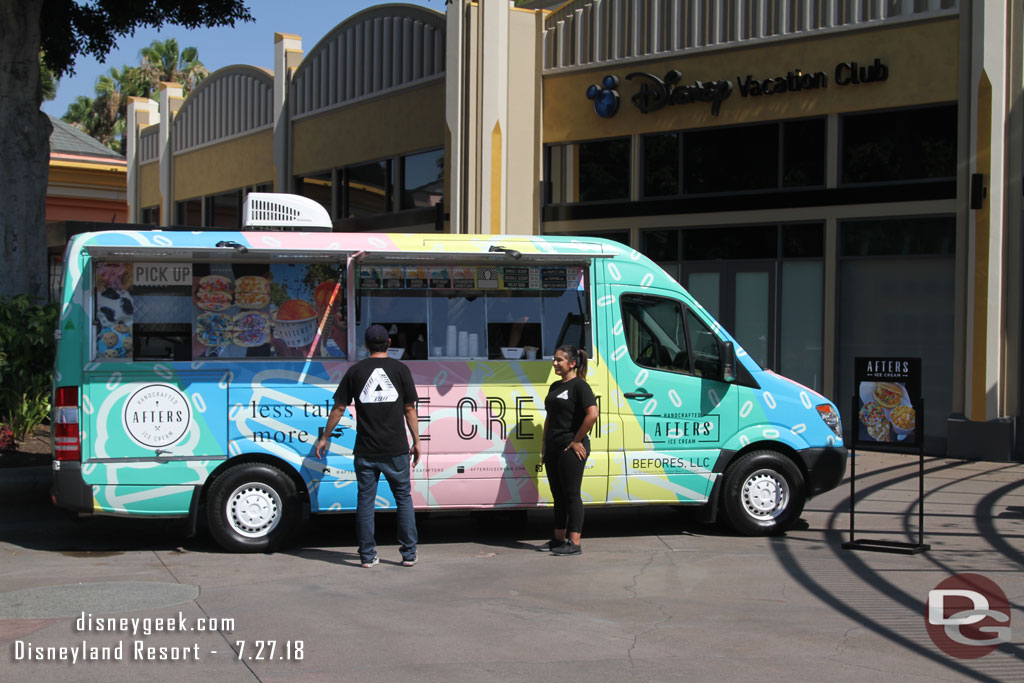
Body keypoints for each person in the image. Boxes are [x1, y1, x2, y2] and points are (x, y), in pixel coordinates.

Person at [315, 324, 421, 567]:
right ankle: (408, 554)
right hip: (395, 449)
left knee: (365, 501)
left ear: (365, 345)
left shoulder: (356, 371)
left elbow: (339, 407)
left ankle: (366, 555)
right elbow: (409, 409)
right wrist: (416, 441)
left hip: (365, 450)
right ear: (389, 344)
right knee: (403, 498)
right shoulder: (401, 369)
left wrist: (325, 437)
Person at [539, 344, 599, 556]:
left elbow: (592, 414)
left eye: (559, 360)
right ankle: (558, 539)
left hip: (570, 449)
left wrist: (576, 440)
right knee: (558, 495)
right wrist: (544, 444)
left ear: (572, 363)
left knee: (571, 495)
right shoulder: (554, 386)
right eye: (554, 359)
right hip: (554, 448)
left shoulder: (580, 386)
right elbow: (550, 418)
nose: (554, 363)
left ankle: (574, 543)